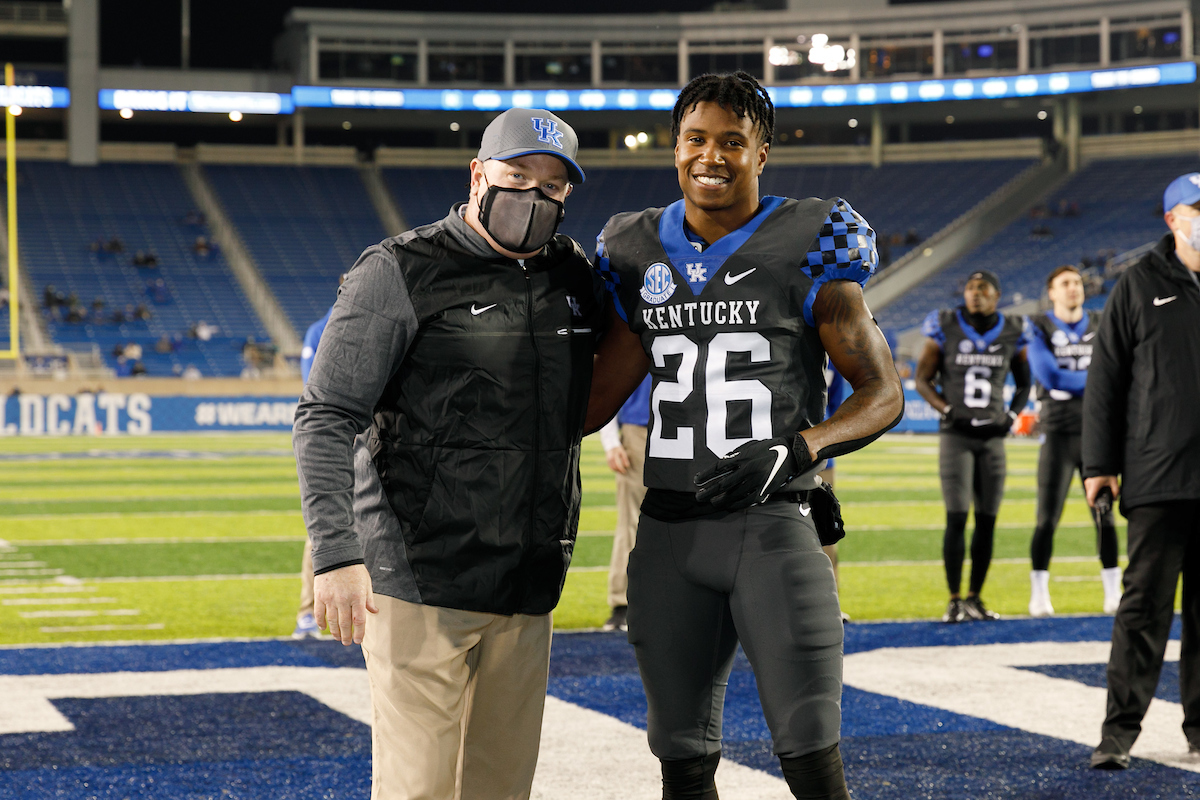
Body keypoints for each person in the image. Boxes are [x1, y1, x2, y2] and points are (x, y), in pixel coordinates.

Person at [586, 72, 904, 800]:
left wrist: (803, 446)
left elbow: (883, 394)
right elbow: (595, 399)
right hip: (666, 535)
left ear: (763, 152)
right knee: (681, 759)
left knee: (810, 753)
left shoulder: (812, 240)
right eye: (696, 139)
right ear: (675, 150)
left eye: (734, 141)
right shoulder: (635, 250)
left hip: (775, 525)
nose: (712, 156)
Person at [293, 107, 599, 800]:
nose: (534, 196)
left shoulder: (571, 276)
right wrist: (337, 555)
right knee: (420, 790)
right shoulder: (401, 268)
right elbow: (326, 416)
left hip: (526, 583)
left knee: (499, 790)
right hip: (421, 578)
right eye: (518, 175)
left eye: (552, 186)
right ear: (478, 174)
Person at [1083, 172, 1200, 770]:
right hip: (1158, 473)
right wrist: (1099, 464)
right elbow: (1105, 382)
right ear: (1171, 219)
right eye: (1196, 208)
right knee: (1143, 609)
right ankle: (1119, 733)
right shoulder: (1139, 284)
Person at [916, 270, 1031, 623]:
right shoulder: (945, 323)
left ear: (997, 295)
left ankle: (975, 598)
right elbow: (922, 379)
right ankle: (954, 599)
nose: (974, 294)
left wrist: (1011, 415)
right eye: (969, 287)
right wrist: (949, 411)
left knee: (988, 520)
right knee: (956, 516)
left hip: (993, 438)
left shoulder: (1014, 327)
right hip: (958, 435)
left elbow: (1026, 384)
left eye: (982, 289)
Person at [1025, 265, 1120, 617]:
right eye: (1065, 283)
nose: (1073, 289)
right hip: (1059, 433)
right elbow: (1050, 376)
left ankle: (1114, 592)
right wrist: (1099, 380)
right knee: (1047, 518)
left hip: (1099, 431)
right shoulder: (1037, 325)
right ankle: (1039, 592)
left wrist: (1084, 378)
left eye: (1077, 283)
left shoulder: (1101, 321)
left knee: (1105, 514)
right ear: (1051, 292)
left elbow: (1118, 369)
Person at [292, 274, 348, 641]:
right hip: (340, 440)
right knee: (326, 525)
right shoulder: (322, 328)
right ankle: (308, 613)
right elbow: (315, 391)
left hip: (370, 437)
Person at [598, 374, 651, 632]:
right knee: (632, 521)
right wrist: (610, 441)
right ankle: (622, 603)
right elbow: (612, 380)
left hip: (696, 430)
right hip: (640, 430)